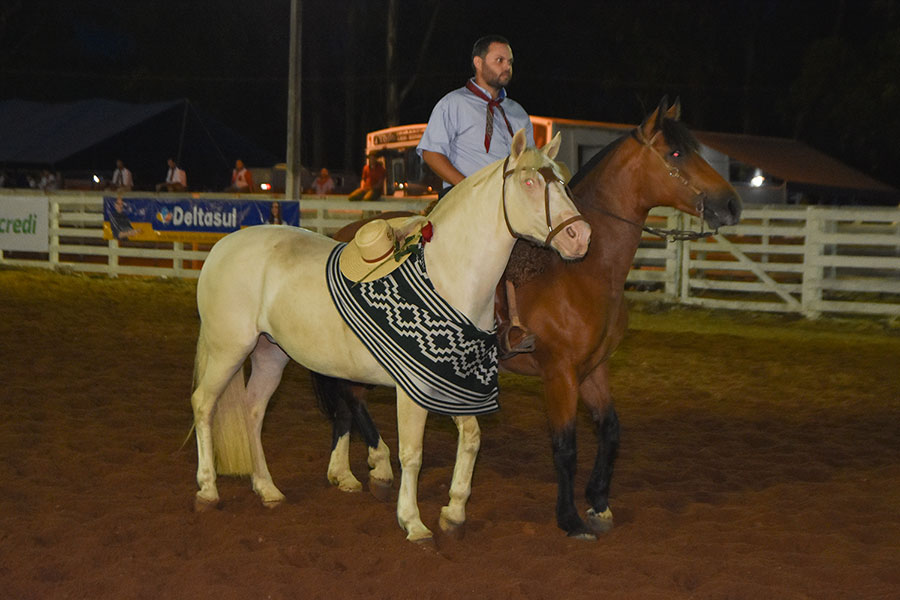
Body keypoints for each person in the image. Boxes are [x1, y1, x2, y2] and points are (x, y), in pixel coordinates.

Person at [417, 34, 536, 358]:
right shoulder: (452, 104)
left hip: (510, 206)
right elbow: (431, 153)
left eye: (509, 61)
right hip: (463, 200)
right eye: (500, 60)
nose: (507, 67)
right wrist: (468, 188)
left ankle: (539, 318)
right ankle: (496, 323)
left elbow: (531, 161)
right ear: (478, 63)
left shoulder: (517, 113)